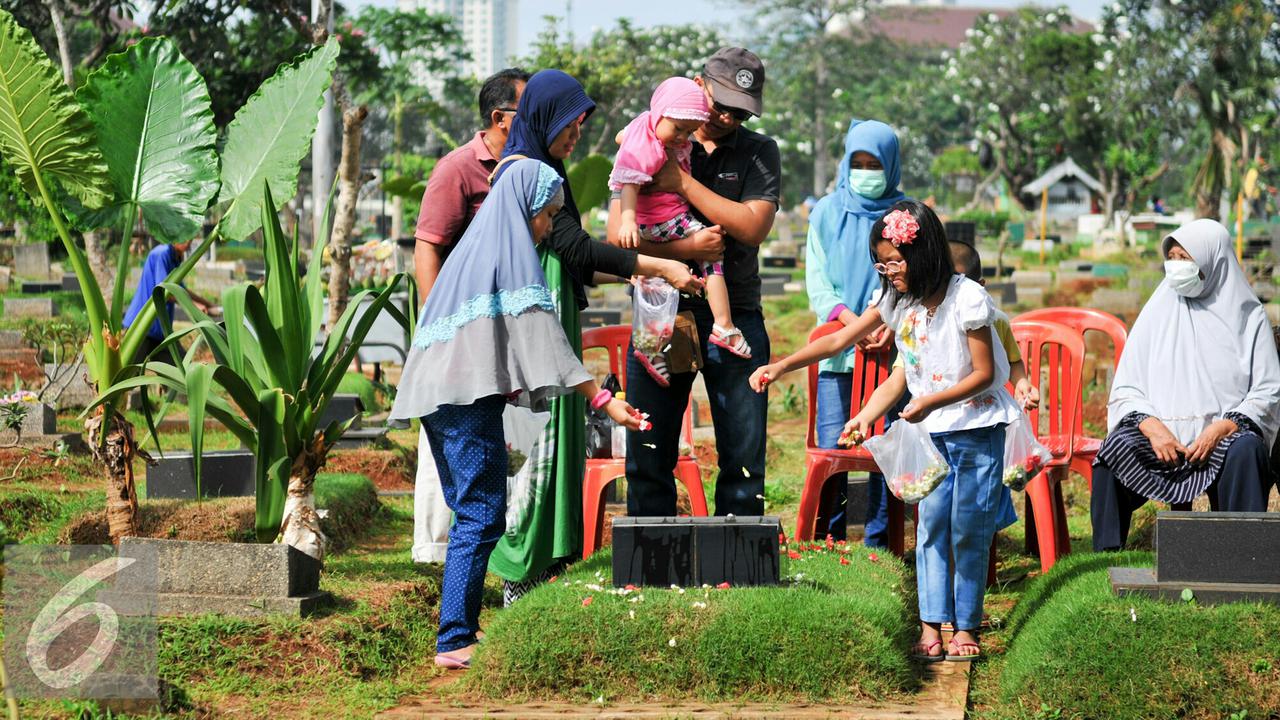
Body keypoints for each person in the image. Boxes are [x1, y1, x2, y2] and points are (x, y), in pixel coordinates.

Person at [389, 158, 645, 670]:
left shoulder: (473, 254)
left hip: (441, 398)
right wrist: (602, 399)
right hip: (462, 401)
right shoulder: (510, 257)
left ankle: (458, 631)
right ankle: (454, 638)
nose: (550, 226)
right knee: (483, 514)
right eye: (547, 214)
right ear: (524, 211)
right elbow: (541, 336)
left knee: (474, 513)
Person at [749, 199, 1021, 662]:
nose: (888, 271)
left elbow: (982, 373)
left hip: (975, 428)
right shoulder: (900, 302)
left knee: (969, 528)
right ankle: (931, 624)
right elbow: (854, 347)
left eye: (895, 262)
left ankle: (966, 625)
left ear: (924, 253)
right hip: (929, 430)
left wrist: (928, 401)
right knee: (931, 526)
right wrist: (784, 367)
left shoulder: (968, 299)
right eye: (882, 263)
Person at [487, 69, 702, 604]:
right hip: (533, 327)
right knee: (537, 446)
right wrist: (662, 264)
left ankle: (547, 565)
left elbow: (577, 261)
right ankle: (520, 571)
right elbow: (577, 250)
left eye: (581, 126)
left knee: (560, 442)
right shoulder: (531, 174)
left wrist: (634, 271)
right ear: (542, 118)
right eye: (570, 125)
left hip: (555, 316)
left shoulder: (545, 167)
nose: (576, 136)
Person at [607, 47, 781, 518]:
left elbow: (752, 227)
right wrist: (687, 251)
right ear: (700, 85)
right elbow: (620, 242)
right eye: (721, 102)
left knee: (743, 453)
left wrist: (680, 184)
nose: (727, 116)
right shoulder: (652, 136)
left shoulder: (758, 151)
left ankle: (741, 558)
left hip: (735, 311)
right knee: (649, 445)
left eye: (741, 110)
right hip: (664, 312)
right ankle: (650, 549)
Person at [1091, 219, 1280, 551]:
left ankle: (1243, 554)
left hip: (1222, 440)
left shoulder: (1249, 317)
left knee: (1247, 451)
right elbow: (1126, 389)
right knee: (1113, 450)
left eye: (1185, 258)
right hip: (1161, 439)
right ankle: (1105, 556)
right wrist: (1152, 427)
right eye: (1172, 257)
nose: (1176, 266)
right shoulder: (1156, 312)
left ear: (1213, 261)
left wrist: (1223, 427)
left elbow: (1267, 390)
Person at [409, 68, 529, 565]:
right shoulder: (458, 170)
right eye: (529, 112)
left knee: (491, 457)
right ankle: (438, 554)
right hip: (458, 336)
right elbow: (427, 249)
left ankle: (489, 555)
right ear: (501, 119)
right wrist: (441, 332)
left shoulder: (527, 169)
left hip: (500, 339)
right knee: (452, 456)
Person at [805, 119, 905, 545]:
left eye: (874, 164)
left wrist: (888, 321)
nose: (865, 172)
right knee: (835, 449)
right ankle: (830, 541)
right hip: (837, 354)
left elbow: (918, 278)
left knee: (887, 447)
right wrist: (853, 323)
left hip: (894, 353)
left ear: (892, 166)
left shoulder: (907, 215)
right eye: (857, 163)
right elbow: (818, 283)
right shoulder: (827, 211)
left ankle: (880, 543)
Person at [612, 76, 747, 388]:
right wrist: (628, 221)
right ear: (659, 113)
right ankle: (724, 325)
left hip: (660, 221)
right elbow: (629, 186)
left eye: (688, 131)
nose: (683, 138)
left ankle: (649, 348)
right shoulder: (653, 151)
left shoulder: (646, 129)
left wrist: (636, 136)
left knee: (652, 283)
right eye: (678, 129)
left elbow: (622, 136)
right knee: (713, 251)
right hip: (665, 220)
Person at [948, 241, 1037, 409]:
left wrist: (1021, 382)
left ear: (980, 286)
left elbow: (1013, 361)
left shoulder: (997, 320)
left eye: (961, 284)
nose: (953, 291)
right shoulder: (925, 321)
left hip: (985, 413)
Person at [122, 239, 214, 363]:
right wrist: (195, 306)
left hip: (160, 330)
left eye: (190, 238)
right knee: (127, 376)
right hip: (142, 326)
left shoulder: (174, 258)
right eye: (185, 237)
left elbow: (181, 289)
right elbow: (165, 292)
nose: (188, 242)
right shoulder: (162, 254)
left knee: (181, 371)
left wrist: (208, 304)